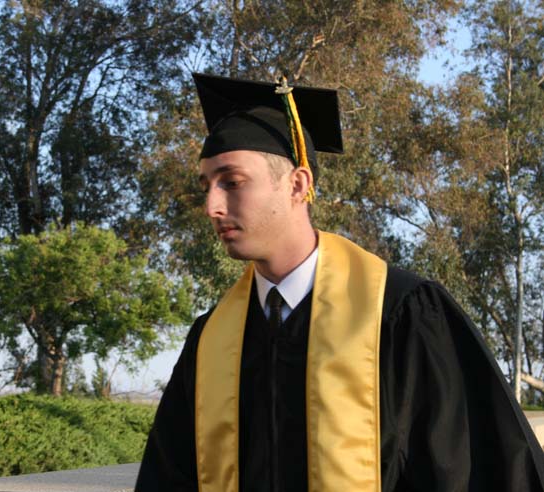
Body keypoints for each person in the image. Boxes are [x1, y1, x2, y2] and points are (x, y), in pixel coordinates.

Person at [134, 73, 544, 492]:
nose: (212, 206)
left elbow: (480, 472)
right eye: (206, 186)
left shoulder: (400, 314)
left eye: (232, 182)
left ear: (298, 184)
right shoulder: (211, 340)